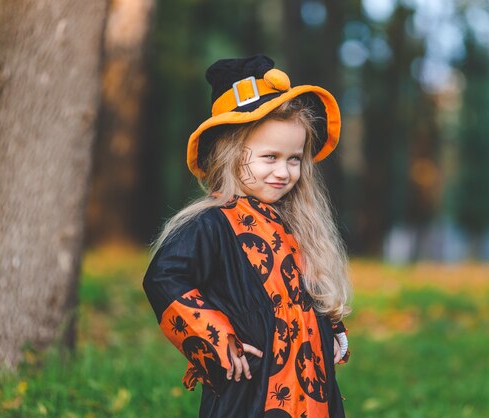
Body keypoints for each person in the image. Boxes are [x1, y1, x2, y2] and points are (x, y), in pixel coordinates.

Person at [143, 54, 352, 418]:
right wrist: (215, 338)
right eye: (269, 157)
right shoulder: (212, 223)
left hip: (311, 385)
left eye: (293, 159)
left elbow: (303, 289)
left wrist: (331, 326)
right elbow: (164, 277)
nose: (284, 172)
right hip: (251, 389)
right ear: (230, 154)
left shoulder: (297, 222)